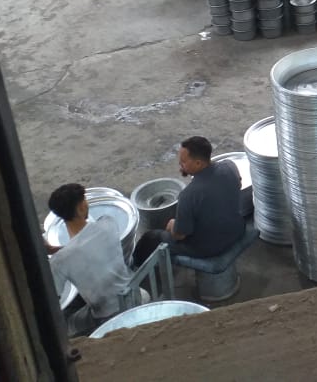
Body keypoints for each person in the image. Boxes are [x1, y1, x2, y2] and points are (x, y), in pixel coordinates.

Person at [132, 136, 246, 266]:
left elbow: (179, 235)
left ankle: (134, 268)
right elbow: (238, 185)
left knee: (150, 238)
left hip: (211, 247)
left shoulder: (189, 194)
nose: (180, 165)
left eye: (183, 162)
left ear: (198, 163)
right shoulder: (229, 166)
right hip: (237, 229)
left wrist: (173, 225)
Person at [47, 183, 135, 337]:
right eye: (85, 200)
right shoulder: (108, 223)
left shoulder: (60, 260)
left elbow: (53, 299)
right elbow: (87, 246)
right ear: (81, 207)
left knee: (67, 323)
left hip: (106, 316)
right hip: (133, 295)